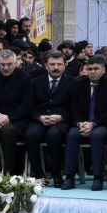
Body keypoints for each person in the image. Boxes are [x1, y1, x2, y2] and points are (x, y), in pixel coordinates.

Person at [63, 55, 107, 190]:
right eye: (90, 69)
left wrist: (93, 123)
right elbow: (74, 108)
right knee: (72, 135)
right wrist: (80, 124)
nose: (93, 72)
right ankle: (69, 177)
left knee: (96, 136)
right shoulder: (78, 84)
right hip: (82, 123)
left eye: (96, 68)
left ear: (103, 70)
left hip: (103, 124)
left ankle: (98, 177)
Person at [26, 51, 74, 185]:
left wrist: (62, 117)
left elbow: (75, 107)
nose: (56, 67)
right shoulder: (35, 82)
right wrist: (39, 117)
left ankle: (56, 173)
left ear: (65, 66)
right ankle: (37, 172)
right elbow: (29, 104)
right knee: (31, 134)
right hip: (39, 119)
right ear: (45, 66)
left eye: (59, 64)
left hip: (61, 121)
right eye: (52, 64)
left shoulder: (73, 83)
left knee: (53, 135)